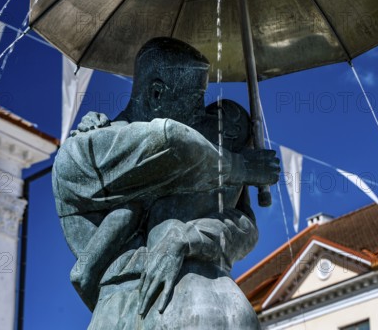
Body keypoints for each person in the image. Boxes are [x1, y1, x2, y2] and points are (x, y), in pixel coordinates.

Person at [52, 37, 280, 328]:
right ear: (157, 93)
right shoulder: (83, 152)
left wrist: (187, 239)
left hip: (209, 283)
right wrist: (242, 166)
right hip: (123, 307)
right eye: (196, 98)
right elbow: (172, 141)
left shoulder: (209, 150)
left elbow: (244, 226)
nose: (201, 111)